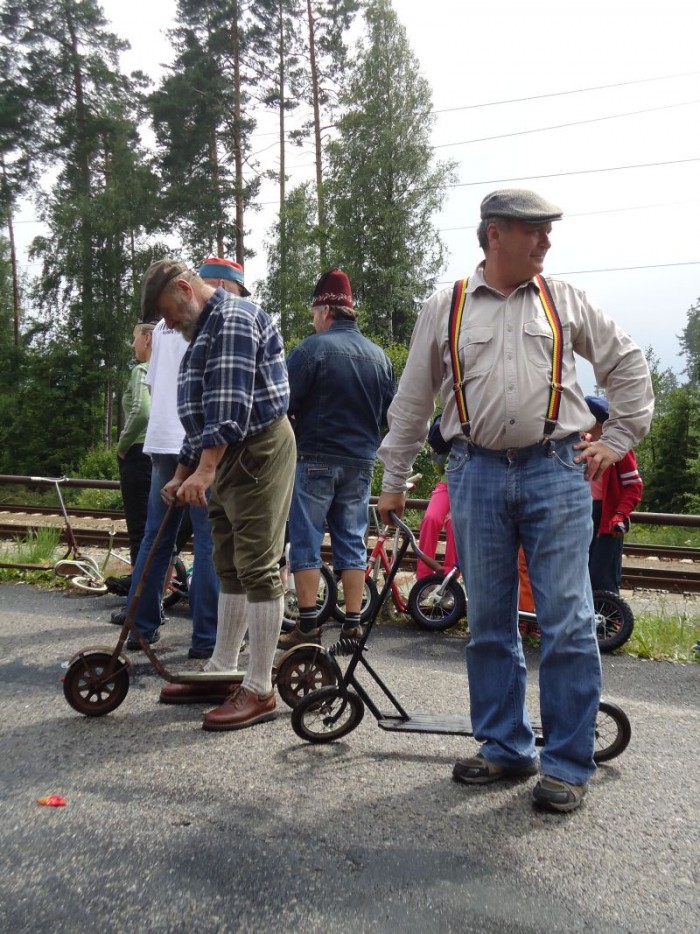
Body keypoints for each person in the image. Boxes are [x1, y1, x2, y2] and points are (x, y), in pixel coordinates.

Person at [376, 189, 654, 813]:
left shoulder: (564, 299)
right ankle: (504, 747)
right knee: (490, 624)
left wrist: (615, 441)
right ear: (496, 234)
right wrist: (393, 480)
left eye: (549, 230)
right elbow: (413, 402)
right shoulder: (445, 306)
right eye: (537, 230)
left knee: (568, 621)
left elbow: (629, 365)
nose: (547, 242)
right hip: (473, 471)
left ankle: (566, 763)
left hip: (556, 470)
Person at [147, 259, 295, 732]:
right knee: (228, 562)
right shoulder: (200, 334)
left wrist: (205, 469)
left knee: (256, 564)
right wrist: (184, 471)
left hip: (256, 448)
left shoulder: (232, 321)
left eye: (167, 313)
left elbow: (229, 408)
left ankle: (259, 688)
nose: (167, 325)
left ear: (186, 289)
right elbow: (201, 412)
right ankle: (222, 670)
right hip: (230, 451)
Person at [107, 258, 250, 657]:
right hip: (200, 442)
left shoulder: (167, 328)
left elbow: (154, 386)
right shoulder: (202, 319)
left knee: (157, 535)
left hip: (164, 441)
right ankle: (206, 639)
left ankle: (141, 626)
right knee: (209, 541)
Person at [278, 269, 395, 648]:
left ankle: (309, 624)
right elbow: (388, 415)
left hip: (314, 456)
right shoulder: (380, 358)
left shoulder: (311, 350)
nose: (313, 320)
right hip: (360, 461)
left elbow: (284, 405)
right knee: (352, 540)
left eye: (314, 312)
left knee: (307, 537)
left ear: (326, 310)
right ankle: (352, 624)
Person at [106, 322, 154, 596]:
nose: (132, 344)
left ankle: (139, 593)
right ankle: (150, 585)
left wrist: (122, 445)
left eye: (134, 337)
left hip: (138, 453)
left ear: (148, 339)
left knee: (139, 528)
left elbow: (141, 411)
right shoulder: (169, 369)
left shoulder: (141, 370)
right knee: (156, 527)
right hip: (160, 454)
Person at [585, 394, 643, 593]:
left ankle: (610, 622)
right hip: (582, 512)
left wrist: (621, 513)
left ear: (598, 423)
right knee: (580, 572)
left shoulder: (619, 449)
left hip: (607, 516)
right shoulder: (582, 443)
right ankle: (586, 621)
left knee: (601, 575)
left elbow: (634, 486)